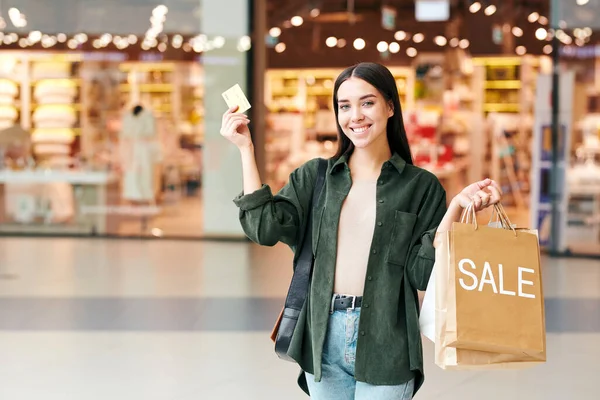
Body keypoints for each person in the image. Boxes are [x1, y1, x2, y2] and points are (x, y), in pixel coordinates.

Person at [220, 62, 502, 400]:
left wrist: (455, 208)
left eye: (367, 102)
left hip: (388, 338)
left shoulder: (419, 186)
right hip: (322, 336)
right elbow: (264, 228)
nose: (356, 115)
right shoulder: (315, 177)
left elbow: (423, 274)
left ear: (390, 106)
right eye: (345, 106)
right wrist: (245, 149)